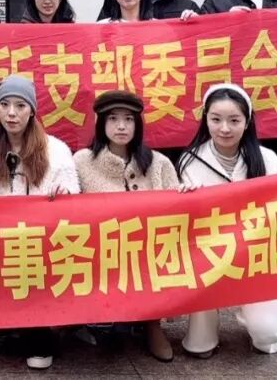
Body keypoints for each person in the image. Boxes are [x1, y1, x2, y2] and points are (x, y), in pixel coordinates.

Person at [178, 84, 277, 357]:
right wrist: (183, 198)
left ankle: (269, 326)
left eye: (234, 120)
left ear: (247, 122)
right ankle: (203, 335)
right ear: (205, 119)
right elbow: (181, 224)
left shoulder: (267, 160)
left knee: (268, 336)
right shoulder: (190, 162)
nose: (224, 128)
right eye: (216, 119)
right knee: (197, 269)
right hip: (212, 257)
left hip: (261, 260)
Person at [0, 76, 78, 371]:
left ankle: (37, 330)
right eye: (4, 105)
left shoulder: (56, 151)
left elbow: (73, 198)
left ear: (32, 110)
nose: (11, 113)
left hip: (36, 245)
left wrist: (65, 194)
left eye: (20, 105)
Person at [73, 90, 178, 362]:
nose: (121, 126)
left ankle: (152, 323)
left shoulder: (158, 163)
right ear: (101, 123)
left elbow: (177, 210)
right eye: (113, 119)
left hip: (147, 252)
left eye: (129, 119)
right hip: (102, 251)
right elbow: (69, 209)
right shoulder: (82, 161)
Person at [198, 0, 277, 167]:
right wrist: (227, 22)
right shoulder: (216, 1)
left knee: (273, 167)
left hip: (272, 99)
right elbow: (200, 45)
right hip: (231, 99)